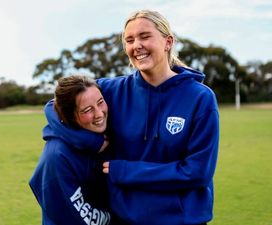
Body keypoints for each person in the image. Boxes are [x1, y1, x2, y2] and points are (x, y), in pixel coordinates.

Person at [44, 9, 219, 225]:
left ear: (168, 42)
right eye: (129, 40)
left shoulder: (200, 98)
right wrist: (91, 140)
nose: (137, 45)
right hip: (123, 219)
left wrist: (127, 171)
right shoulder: (112, 91)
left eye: (145, 36)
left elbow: (198, 172)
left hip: (181, 219)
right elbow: (55, 106)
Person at [29, 75, 113, 225]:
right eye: (87, 110)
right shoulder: (57, 157)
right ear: (70, 117)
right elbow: (79, 219)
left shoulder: (103, 134)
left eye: (100, 102)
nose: (99, 114)